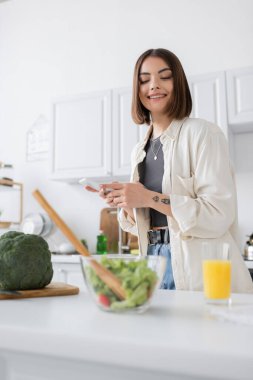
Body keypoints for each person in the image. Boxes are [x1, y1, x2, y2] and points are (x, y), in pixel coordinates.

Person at [86, 48, 253, 292]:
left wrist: (146, 196)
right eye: (144, 80)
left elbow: (218, 214)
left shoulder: (203, 134)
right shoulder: (139, 150)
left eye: (164, 77)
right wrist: (127, 202)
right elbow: (141, 223)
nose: (153, 86)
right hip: (153, 260)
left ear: (179, 83)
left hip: (197, 265)